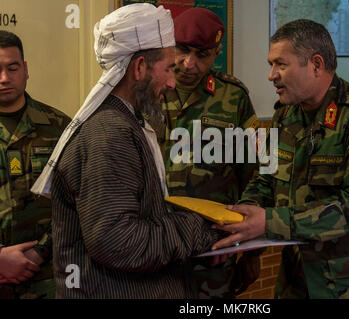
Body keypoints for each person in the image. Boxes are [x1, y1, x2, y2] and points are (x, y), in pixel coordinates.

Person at [212, 19, 349, 299]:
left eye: (281, 64)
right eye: (270, 64)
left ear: (315, 64)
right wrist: (241, 215)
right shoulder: (285, 117)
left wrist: (268, 222)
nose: (271, 75)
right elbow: (265, 180)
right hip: (301, 279)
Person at [31, 4, 220, 299]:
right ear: (140, 67)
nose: (172, 82)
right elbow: (119, 242)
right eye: (169, 68)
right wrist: (198, 230)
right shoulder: (110, 134)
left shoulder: (124, 123)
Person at [155, 8, 260, 298]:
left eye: (202, 55)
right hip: (156, 242)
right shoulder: (148, 90)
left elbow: (253, 175)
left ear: (217, 53)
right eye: (182, 50)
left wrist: (251, 251)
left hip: (214, 245)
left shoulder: (233, 96)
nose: (189, 64)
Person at [0, 30, 71, 299]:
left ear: (26, 69)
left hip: (45, 278)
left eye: (12, 67)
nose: (4, 78)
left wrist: (38, 253)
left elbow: (75, 201)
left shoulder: (60, 127)